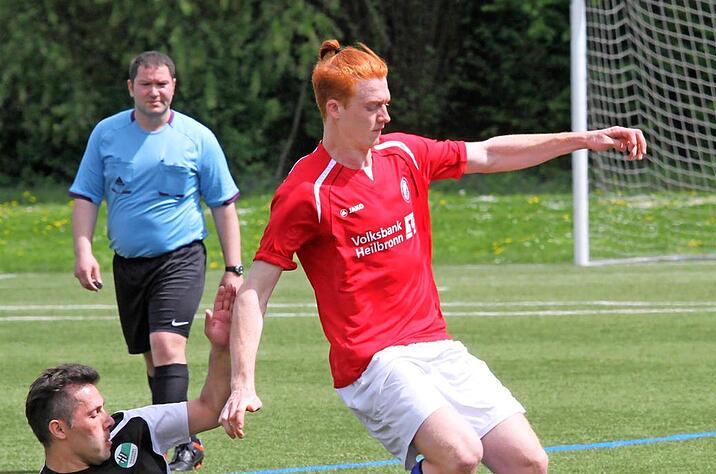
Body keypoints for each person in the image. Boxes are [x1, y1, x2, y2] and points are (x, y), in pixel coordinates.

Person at [219, 40, 646, 473]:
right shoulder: (305, 191)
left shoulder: (403, 154)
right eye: (372, 107)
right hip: (373, 362)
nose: (385, 116)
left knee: (529, 462)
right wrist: (242, 383)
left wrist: (585, 140)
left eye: (387, 103)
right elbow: (255, 290)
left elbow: (488, 152)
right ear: (334, 108)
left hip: (435, 345)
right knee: (460, 455)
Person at [69, 50, 244, 470]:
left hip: (180, 257)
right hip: (129, 263)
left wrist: (234, 267)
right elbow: (86, 195)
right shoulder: (106, 134)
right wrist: (83, 250)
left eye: (162, 83)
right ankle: (179, 435)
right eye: (146, 84)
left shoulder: (197, 137)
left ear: (174, 87)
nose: (154, 91)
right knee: (152, 353)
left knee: (167, 344)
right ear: (131, 88)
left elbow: (223, 204)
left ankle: (177, 445)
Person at [26, 285, 235, 474]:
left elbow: (211, 409)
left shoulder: (133, 426)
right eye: (93, 414)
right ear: (59, 429)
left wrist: (222, 348)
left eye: (102, 409)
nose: (108, 420)